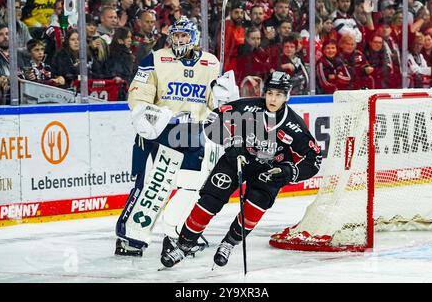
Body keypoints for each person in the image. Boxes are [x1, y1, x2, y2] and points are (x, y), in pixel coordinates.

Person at [160, 71, 322, 268]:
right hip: (238, 159)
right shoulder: (247, 106)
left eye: (279, 95)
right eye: (270, 93)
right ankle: (184, 244)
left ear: (287, 96)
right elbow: (213, 118)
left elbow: (314, 160)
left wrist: (289, 172)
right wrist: (228, 141)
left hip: (270, 170)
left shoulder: (294, 126)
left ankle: (229, 243)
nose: (273, 98)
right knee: (210, 198)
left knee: (256, 205)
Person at [114, 16, 239, 257]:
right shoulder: (156, 59)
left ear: (194, 38)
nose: (179, 40)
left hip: (193, 134)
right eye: (176, 35)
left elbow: (214, 101)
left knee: (191, 188)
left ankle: (179, 236)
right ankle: (131, 239)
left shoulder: (211, 63)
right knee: (152, 185)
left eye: (184, 36)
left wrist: (224, 99)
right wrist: (159, 117)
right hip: (159, 133)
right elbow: (137, 96)